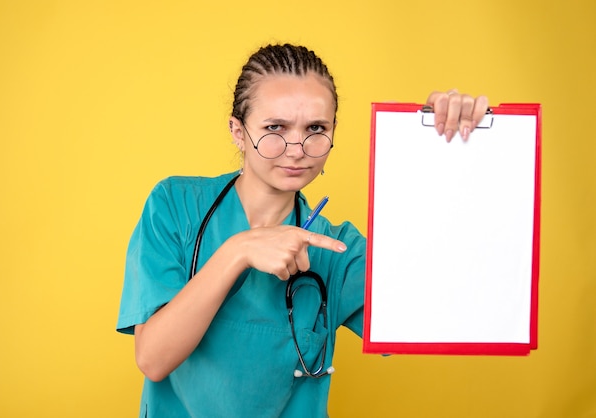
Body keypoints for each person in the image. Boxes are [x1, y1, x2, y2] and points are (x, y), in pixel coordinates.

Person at [116, 43, 489, 417]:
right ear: (238, 131)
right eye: (275, 127)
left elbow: (435, 314)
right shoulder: (175, 205)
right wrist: (238, 250)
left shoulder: (339, 250)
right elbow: (153, 359)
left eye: (315, 128)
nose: (297, 148)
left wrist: (444, 154)